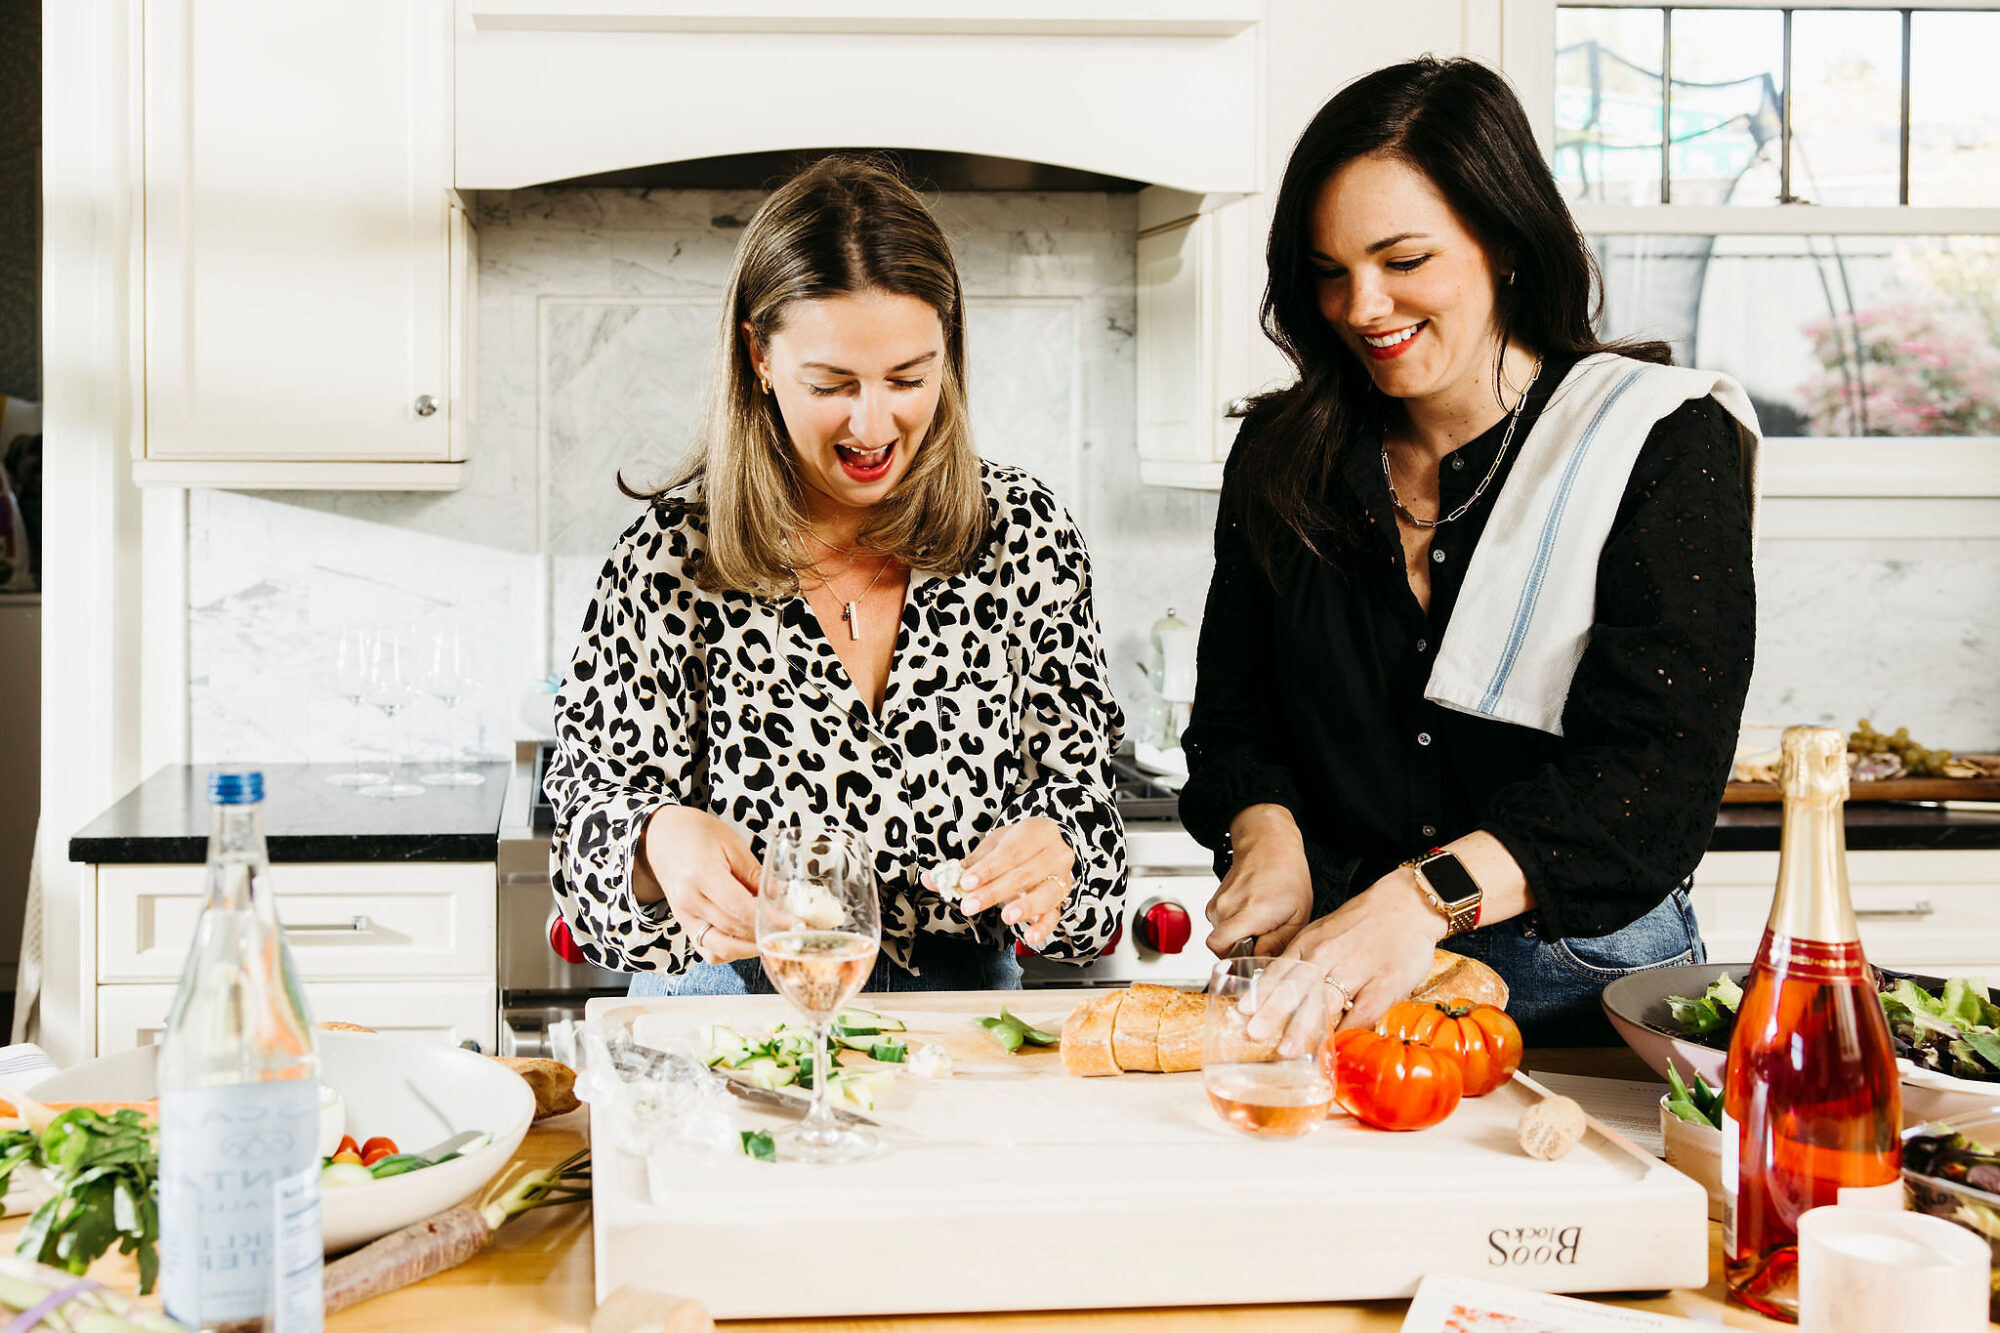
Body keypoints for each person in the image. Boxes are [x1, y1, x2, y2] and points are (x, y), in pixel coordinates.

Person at [1180, 58, 1760, 1045]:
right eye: (1328, 272)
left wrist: (1416, 901)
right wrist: (1266, 835)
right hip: (1340, 968)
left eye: (1402, 262)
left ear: (1502, 243)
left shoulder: (1652, 439)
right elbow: (1235, 724)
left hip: (1579, 984)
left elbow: (1650, 786)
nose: (1361, 307)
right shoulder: (1284, 457)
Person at [544, 157, 1128, 997]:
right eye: (832, 383)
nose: (872, 422)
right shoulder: (670, 560)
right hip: (729, 1023)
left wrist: (1060, 854)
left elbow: (1094, 831)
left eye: (908, 378)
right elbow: (583, 865)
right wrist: (653, 842)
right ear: (760, 356)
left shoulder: (1026, 538)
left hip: (954, 1034)